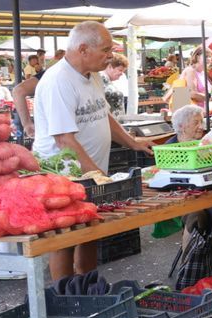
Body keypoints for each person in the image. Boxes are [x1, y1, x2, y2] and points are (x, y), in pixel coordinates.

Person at [33, 22, 152, 279]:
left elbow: (103, 114)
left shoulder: (93, 74)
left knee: (89, 232)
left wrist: (133, 142)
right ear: (83, 49)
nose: (110, 56)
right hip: (64, 175)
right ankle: (65, 295)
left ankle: (86, 287)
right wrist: (98, 175)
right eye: (105, 50)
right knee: (65, 239)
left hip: (91, 173)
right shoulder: (59, 81)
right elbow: (64, 139)